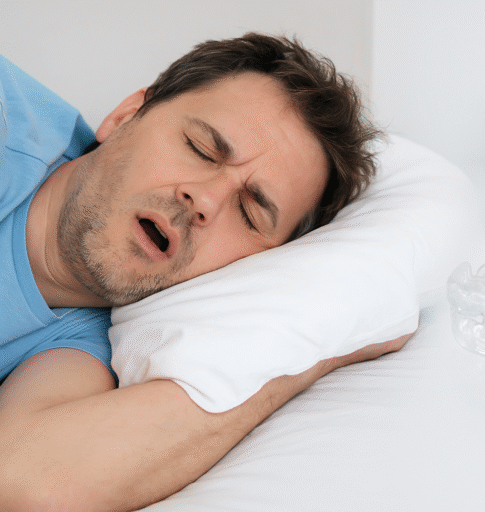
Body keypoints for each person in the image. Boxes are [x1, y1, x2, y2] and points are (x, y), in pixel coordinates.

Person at [0, 33, 410, 511]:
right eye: (201, 149)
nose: (206, 200)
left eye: (251, 213)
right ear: (125, 116)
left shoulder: (89, 346)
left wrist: (302, 360)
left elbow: (30, 483)